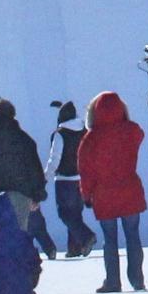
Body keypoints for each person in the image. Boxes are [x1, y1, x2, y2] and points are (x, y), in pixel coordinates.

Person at [78, 92, 147, 293]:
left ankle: (113, 281)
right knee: (133, 236)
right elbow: (140, 134)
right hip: (130, 190)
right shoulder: (131, 131)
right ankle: (137, 279)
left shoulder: (90, 139)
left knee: (110, 239)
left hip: (104, 194)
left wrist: (86, 195)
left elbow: (85, 170)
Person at [0, 98, 50, 253]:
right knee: (19, 236)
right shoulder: (25, 139)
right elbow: (35, 169)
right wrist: (37, 195)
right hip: (20, 195)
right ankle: (19, 271)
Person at [46, 100, 97, 258]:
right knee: (76, 214)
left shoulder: (60, 134)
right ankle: (74, 248)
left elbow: (54, 159)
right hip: (81, 178)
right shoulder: (84, 131)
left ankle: (86, 237)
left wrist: (45, 177)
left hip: (64, 180)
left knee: (65, 213)